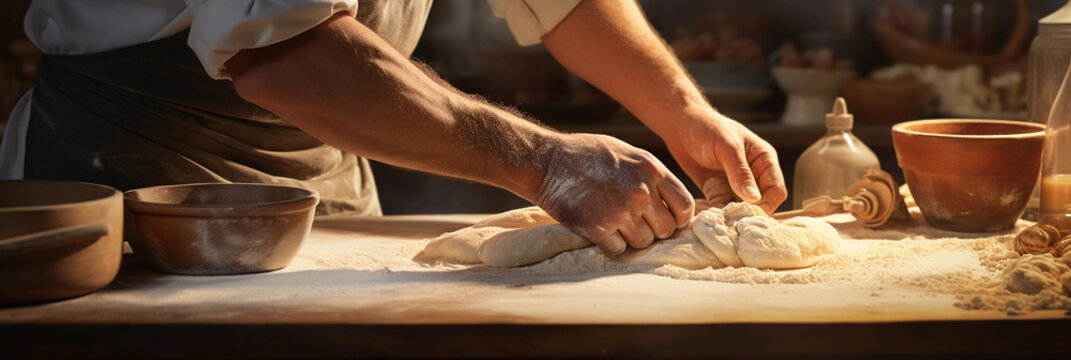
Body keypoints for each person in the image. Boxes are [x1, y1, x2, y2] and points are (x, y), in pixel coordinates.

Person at [0, 0, 786, 256]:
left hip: (329, 163)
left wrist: (682, 110)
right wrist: (543, 161)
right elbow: (286, 54)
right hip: (138, 170)